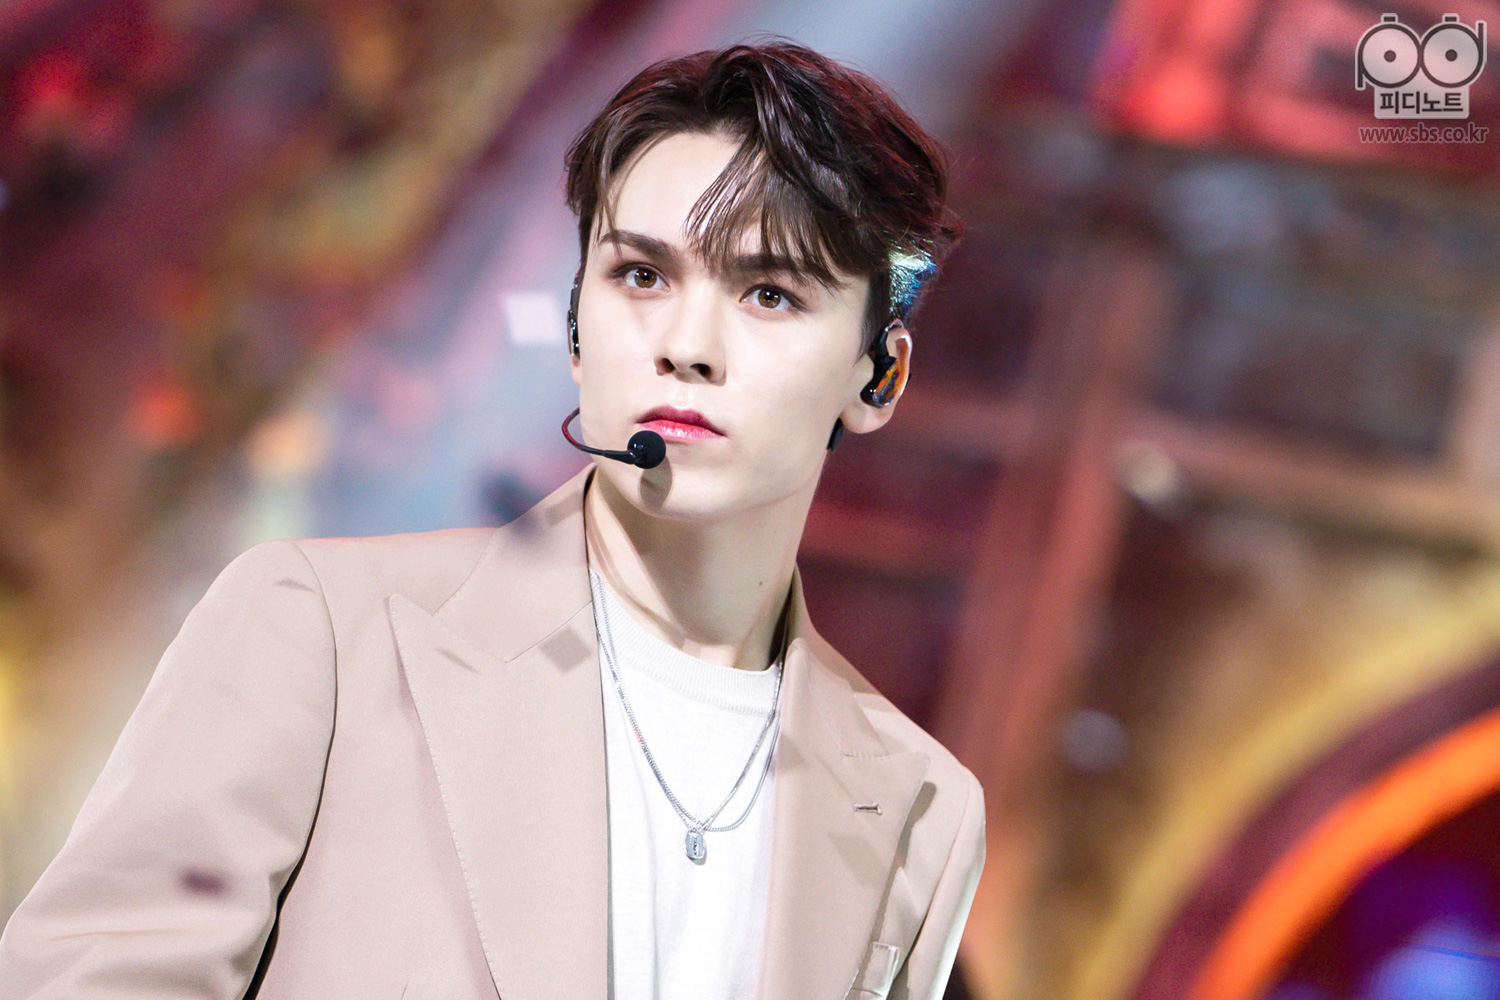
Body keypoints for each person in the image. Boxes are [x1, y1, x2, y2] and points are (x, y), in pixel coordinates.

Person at [0, 39, 984, 1000]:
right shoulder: (324, 631)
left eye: (769, 294)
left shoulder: (918, 810)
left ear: (879, 375)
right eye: (642, 276)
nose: (686, 344)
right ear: (575, 326)